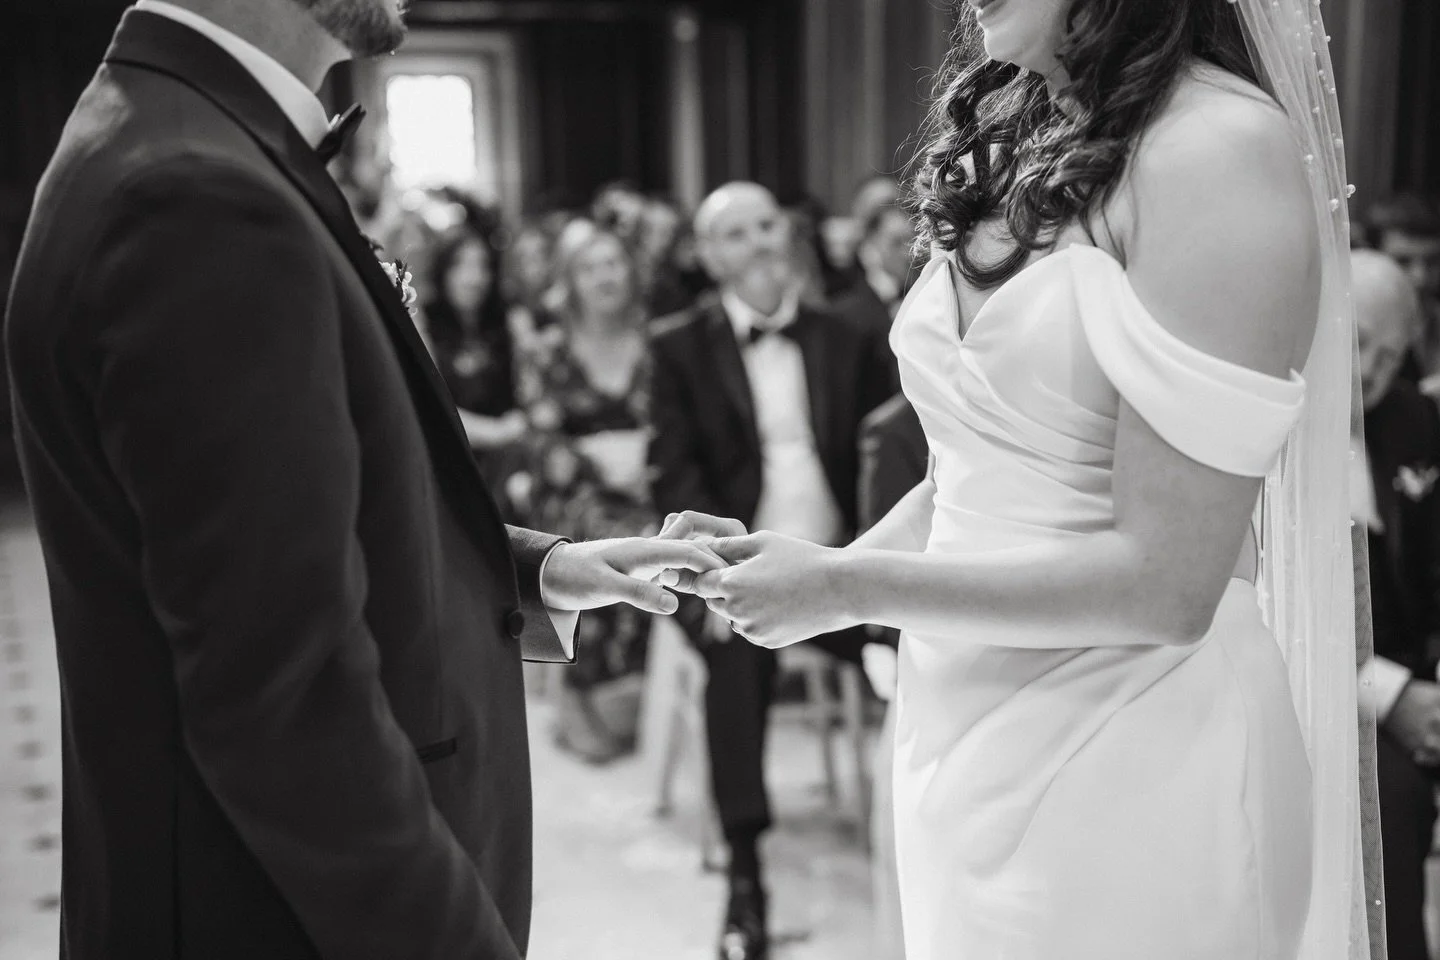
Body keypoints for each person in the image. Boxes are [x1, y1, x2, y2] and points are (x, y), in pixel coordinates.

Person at [2, 2, 720, 958]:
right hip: (267, 917)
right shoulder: (195, 193)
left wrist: (536, 570)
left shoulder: (179, 130)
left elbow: (275, 534)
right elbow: (286, 705)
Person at [664, 0, 1368, 957]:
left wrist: (844, 586)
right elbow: (977, 475)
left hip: (1133, 751)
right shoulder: (1020, 132)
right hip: (959, 729)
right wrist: (811, 575)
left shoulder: (1218, 149)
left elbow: (1168, 585)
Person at [647, 181, 894, 960]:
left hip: (845, 570)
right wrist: (717, 584)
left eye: (766, 226)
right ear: (708, 255)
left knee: (926, 648)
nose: (758, 243)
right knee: (732, 664)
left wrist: (868, 569)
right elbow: (674, 481)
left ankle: (914, 851)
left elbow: (885, 462)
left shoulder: (848, 335)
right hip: (742, 574)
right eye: (736, 233)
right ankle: (746, 878)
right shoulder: (679, 346)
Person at [514, 220, 658, 764]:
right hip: (574, 489)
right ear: (570, 280)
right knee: (614, 536)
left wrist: (648, 461)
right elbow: (541, 439)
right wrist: (595, 464)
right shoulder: (546, 351)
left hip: (648, 482)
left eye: (614, 263)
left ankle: (643, 691)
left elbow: (678, 423)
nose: (605, 276)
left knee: (675, 533)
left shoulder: (656, 341)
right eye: (590, 266)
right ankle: (580, 691)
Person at [1351, 249, 1440, 960]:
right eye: (1356, 343)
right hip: (1332, 685)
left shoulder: (1414, 419)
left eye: (1391, 350)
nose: (1372, 370)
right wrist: (1393, 696)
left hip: (1421, 672)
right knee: (1394, 792)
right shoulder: (1272, 428)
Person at [423, 224, 527, 496]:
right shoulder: (425, 324)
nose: (474, 277)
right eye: (461, 266)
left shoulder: (507, 323)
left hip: (509, 461)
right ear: (443, 271)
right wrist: (499, 431)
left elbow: (526, 396)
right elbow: (433, 410)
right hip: (451, 456)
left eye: (482, 266)